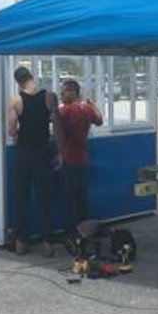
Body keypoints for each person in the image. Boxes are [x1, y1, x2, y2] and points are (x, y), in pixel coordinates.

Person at [7, 66, 63, 256]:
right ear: (32, 77)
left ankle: (22, 243)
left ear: (18, 81)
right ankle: (48, 243)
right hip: (43, 152)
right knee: (44, 199)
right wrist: (60, 152)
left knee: (21, 199)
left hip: (23, 153)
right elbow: (57, 126)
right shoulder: (50, 96)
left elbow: (12, 131)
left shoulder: (15, 100)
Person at [57, 79, 103, 235]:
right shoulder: (87, 109)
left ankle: (71, 233)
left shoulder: (65, 110)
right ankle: (85, 231)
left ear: (73, 92)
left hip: (68, 159)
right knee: (82, 198)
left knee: (69, 199)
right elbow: (100, 120)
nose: (61, 95)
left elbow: (53, 127)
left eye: (64, 92)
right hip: (82, 160)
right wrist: (92, 103)